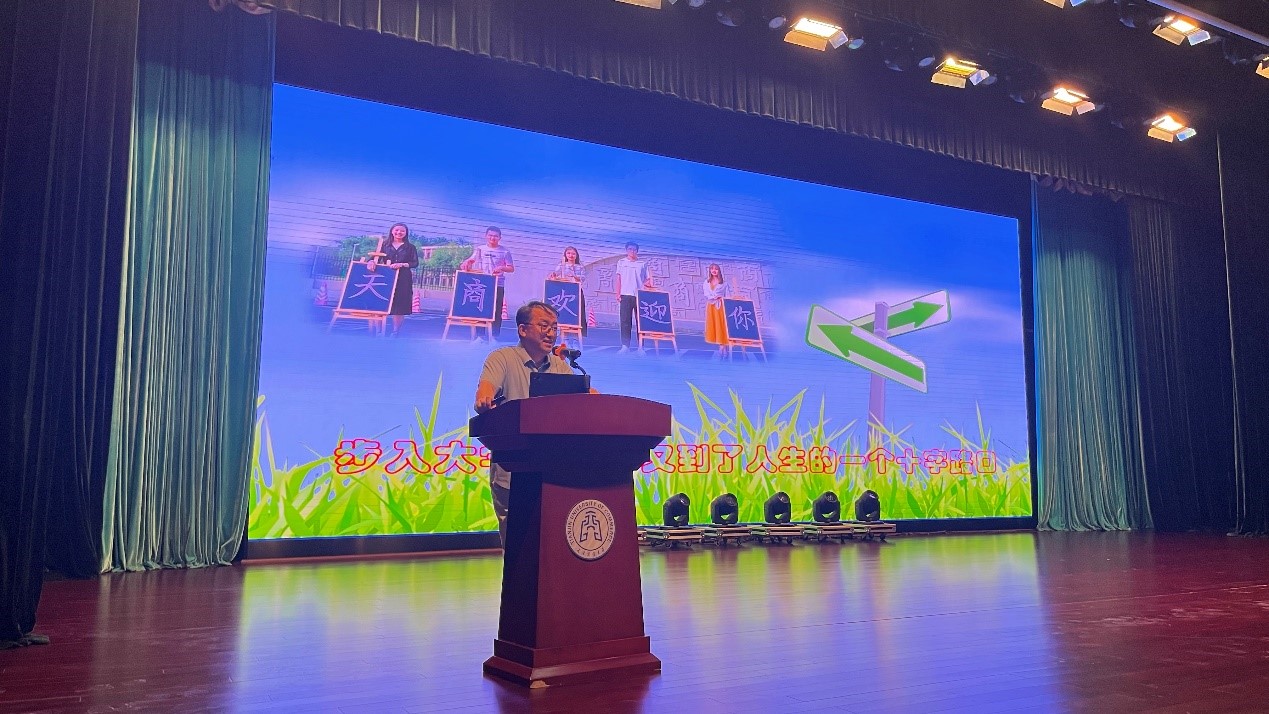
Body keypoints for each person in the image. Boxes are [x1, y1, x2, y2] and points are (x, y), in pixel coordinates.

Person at [473, 301, 577, 545]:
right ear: (522, 329)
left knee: (552, 546)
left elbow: (580, 399)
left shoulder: (560, 366)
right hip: (512, 472)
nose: (551, 333)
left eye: (554, 327)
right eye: (544, 326)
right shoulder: (502, 358)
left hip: (553, 471)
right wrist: (483, 399)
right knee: (518, 546)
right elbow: (486, 387)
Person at [460, 226, 514, 338]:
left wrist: (502, 268)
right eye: (490, 235)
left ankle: (494, 336)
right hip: (482, 284)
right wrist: (467, 263)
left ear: (500, 238)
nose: (492, 238)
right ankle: (480, 336)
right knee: (481, 309)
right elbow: (472, 260)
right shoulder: (480, 249)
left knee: (496, 310)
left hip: (497, 284)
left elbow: (511, 268)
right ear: (486, 236)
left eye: (495, 236)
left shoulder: (505, 251)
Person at [368, 222, 418, 335]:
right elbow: (373, 258)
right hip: (385, 277)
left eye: (402, 231)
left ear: (406, 233)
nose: (399, 232)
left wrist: (402, 264)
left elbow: (415, 263)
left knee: (400, 305)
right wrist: (370, 262)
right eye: (397, 230)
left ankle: (395, 332)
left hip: (403, 278)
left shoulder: (410, 247)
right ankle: (378, 331)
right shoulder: (384, 245)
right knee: (380, 303)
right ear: (392, 231)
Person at [614, 241, 652, 352]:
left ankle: (641, 347)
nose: (632, 251)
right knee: (625, 321)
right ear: (627, 250)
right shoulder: (621, 262)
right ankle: (625, 346)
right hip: (625, 295)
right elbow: (619, 279)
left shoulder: (642, 264)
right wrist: (617, 293)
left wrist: (647, 286)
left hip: (639, 296)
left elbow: (647, 279)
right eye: (630, 249)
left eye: (634, 249)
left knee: (641, 322)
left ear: (637, 251)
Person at [548, 246, 588, 336]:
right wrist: (553, 275)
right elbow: (555, 274)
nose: (571, 255)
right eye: (568, 253)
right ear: (565, 255)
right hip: (565, 291)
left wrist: (574, 275)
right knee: (565, 311)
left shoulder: (580, 267)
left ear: (576, 255)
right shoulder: (561, 265)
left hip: (576, 291)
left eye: (573, 253)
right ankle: (564, 333)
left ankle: (577, 334)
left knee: (577, 312)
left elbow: (582, 278)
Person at [702, 263, 729, 357]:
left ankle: (722, 346)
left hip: (721, 306)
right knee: (715, 325)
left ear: (719, 271)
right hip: (711, 305)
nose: (714, 270)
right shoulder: (706, 282)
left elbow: (728, 295)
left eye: (716, 269)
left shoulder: (724, 283)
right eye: (712, 269)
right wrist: (713, 297)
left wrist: (721, 298)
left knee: (722, 325)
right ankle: (723, 346)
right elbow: (706, 293)